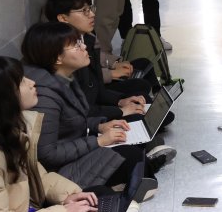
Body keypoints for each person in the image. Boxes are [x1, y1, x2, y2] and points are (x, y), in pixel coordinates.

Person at [0, 57, 121, 212]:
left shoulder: (11, 128)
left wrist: (70, 196)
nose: (33, 83)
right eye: (21, 81)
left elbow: (36, 175)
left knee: (97, 197)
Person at [21, 23, 153, 189]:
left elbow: (70, 122)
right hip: (59, 173)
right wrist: (98, 141)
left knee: (129, 130)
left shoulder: (64, 77)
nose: (84, 46)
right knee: (133, 156)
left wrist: (99, 125)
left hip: (77, 149)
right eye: (76, 45)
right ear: (57, 58)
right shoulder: (44, 97)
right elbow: (47, 155)